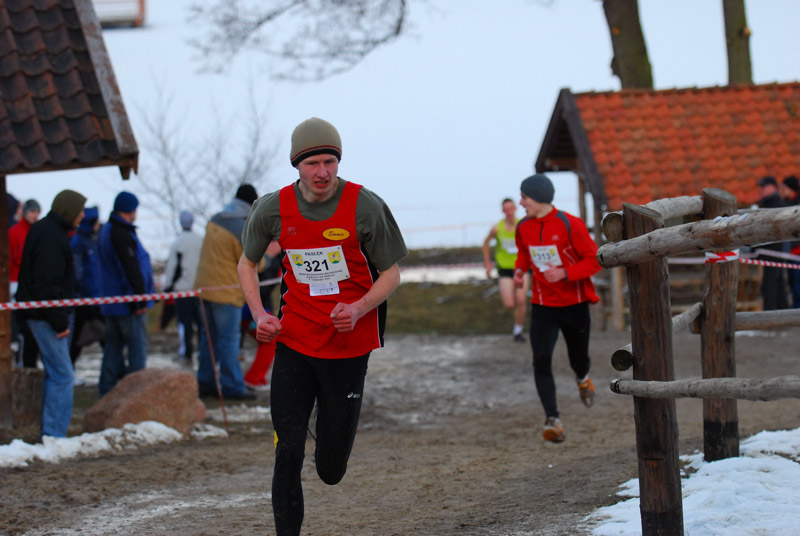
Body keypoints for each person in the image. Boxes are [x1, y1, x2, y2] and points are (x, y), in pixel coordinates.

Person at [237, 117, 408, 536]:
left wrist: (359, 308)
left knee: (330, 469)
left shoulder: (365, 206)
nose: (322, 172)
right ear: (297, 165)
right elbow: (246, 263)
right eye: (312, 163)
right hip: (295, 341)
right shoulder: (272, 208)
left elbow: (391, 274)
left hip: (349, 345)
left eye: (330, 162)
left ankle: (330, 450)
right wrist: (260, 315)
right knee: (287, 451)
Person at [512, 173, 601, 443]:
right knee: (540, 358)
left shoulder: (570, 224)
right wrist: (520, 270)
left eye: (524, 197)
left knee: (578, 359)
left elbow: (594, 260)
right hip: (542, 305)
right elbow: (524, 253)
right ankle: (553, 419)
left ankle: (583, 378)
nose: (521, 202)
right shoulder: (523, 226)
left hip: (575, 304)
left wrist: (564, 273)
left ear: (538, 197)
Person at [16, 190, 86, 438]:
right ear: (69, 210)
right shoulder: (51, 237)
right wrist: (59, 322)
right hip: (45, 316)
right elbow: (48, 284)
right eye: (79, 210)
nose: (82, 215)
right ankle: (54, 434)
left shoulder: (48, 231)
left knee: (55, 373)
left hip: (41, 313)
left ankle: (51, 432)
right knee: (64, 376)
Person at [194, 184, 260, 400]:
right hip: (226, 292)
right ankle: (232, 386)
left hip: (204, 289)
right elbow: (253, 262)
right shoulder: (241, 227)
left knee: (208, 340)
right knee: (228, 341)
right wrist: (269, 255)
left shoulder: (215, 218)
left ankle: (206, 383)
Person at [97, 191, 155, 396]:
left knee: (112, 349)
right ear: (130, 210)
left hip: (112, 303)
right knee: (136, 350)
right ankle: (135, 395)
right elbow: (130, 268)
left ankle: (106, 390)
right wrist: (139, 300)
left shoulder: (107, 230)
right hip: (127, 304)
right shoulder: (120, 233)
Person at [482, 197, 529, 342]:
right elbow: (485, 243)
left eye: (511, 209)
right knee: (510, 304)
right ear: (503, 211)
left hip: (521, 268)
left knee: (521, 299)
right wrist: (488, 263)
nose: (509, 212)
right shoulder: (497, 228)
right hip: (504, 269)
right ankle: (517, 322)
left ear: (515, 209)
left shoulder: (523, 225)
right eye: (506, 209)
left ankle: (518, 331)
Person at [241, 240, 283, 390]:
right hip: (251, 308)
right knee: (270, 340)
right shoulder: (264, 254)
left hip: (252, 307)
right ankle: (254, 378)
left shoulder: (277, 257)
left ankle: (253, 378)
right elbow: (260, 284)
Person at [164, 210, 203, 364]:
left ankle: (187, 353)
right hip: (199, 290)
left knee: (185, 323)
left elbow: (173, 267)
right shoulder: (201, 240)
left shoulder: (177, 243)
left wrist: (168, 286)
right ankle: (202, 352)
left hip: (182, 290)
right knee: (201, 323)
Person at [70, 206, 106, 365]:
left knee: (107, 340)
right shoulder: (78, 242)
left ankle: (116, 373)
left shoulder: (95, 240)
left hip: (98, 299)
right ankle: (67, 372)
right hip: (84, 301)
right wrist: (82, 295)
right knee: (76, 342)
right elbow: (77, 273)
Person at [9, 199, 41, 368]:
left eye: (37, 212)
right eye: (32, 212)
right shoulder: (14, 232)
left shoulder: (37, 232)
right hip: (15, 282)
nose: (35, 215)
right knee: (18, 323)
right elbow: (10, 258)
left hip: (33, 284)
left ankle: (29, 362)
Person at [756, 176, 788, 310]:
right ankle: (782, 314)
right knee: (778, 285)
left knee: (771, 286)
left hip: (774, 251)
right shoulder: (767, 203)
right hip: (771, 251)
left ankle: (769, 315)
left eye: (764, 187)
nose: (761, 189)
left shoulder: (775, 204)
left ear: (772, 187)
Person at [779, 175, 800, 307]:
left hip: (797, 252)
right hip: (790, 252)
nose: (781, 191)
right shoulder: (786, 203)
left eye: (784, 188)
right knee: (792, 285)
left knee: (798, 287)